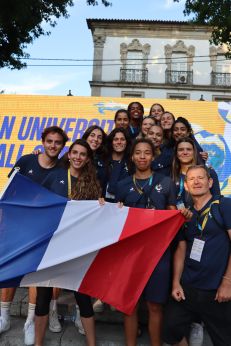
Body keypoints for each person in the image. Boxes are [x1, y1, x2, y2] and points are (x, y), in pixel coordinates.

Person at [115, 138, 191, 346]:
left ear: (153, 156)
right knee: (128, 305)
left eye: (146, 153)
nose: (142, 157)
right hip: (129, 254)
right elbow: (114, 220)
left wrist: (179, 213)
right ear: (132, 157)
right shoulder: (122, 185)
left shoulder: (165, 182)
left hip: (159, 254)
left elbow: (171, 210)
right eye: (138, 153)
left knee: (155, 306)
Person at [0, 126, 68, 345]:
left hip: (43, 230)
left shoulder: (63, 169)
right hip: (17, 224)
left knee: (34, 275)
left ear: (62, 145)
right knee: (10, 268)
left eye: (58, 142)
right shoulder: (26, 161)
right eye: (50, 141)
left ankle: (30, 320)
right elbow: (9, 190)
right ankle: (4, 316)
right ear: (42, 141)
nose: (53, 145)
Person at [34, 139, 102, 346]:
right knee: (43, 298)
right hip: (52, 246)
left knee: (83, 298)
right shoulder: (55, 176)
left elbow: (96, 217)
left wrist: (102, 205)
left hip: (76, 249)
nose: (78, 157)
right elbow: (38, 202)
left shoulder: (92, 182)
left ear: (87, 158)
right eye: (75, 153)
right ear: (69, 154)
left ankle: (92, 343)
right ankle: (38, 343)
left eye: (83, 154)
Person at [163, 165, 231, 346]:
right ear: (186, 186)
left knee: (224, 340)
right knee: (171, 329)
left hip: (216, 289)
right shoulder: (186, 214)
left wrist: (227, 282)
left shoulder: (224, 205)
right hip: (188, 287)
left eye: (201, 178)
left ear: (210, 182)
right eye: (191, 179)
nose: (196, 182)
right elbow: (181, 248)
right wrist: (176, 282)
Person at [172, 138, 220, 210]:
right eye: (181, 150)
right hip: (180, 218)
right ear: (176, 153)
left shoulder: (209, 172)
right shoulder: (170, 176)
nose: (185, 152)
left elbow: (217, 199)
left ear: (194, 152)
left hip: (206, 217)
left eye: (189, 149)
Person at [82, 125, 107, 194]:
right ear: (86, 137)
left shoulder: (103, 161)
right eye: (92, 135)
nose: (96, 139)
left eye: (99, 137)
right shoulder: (73, 155)